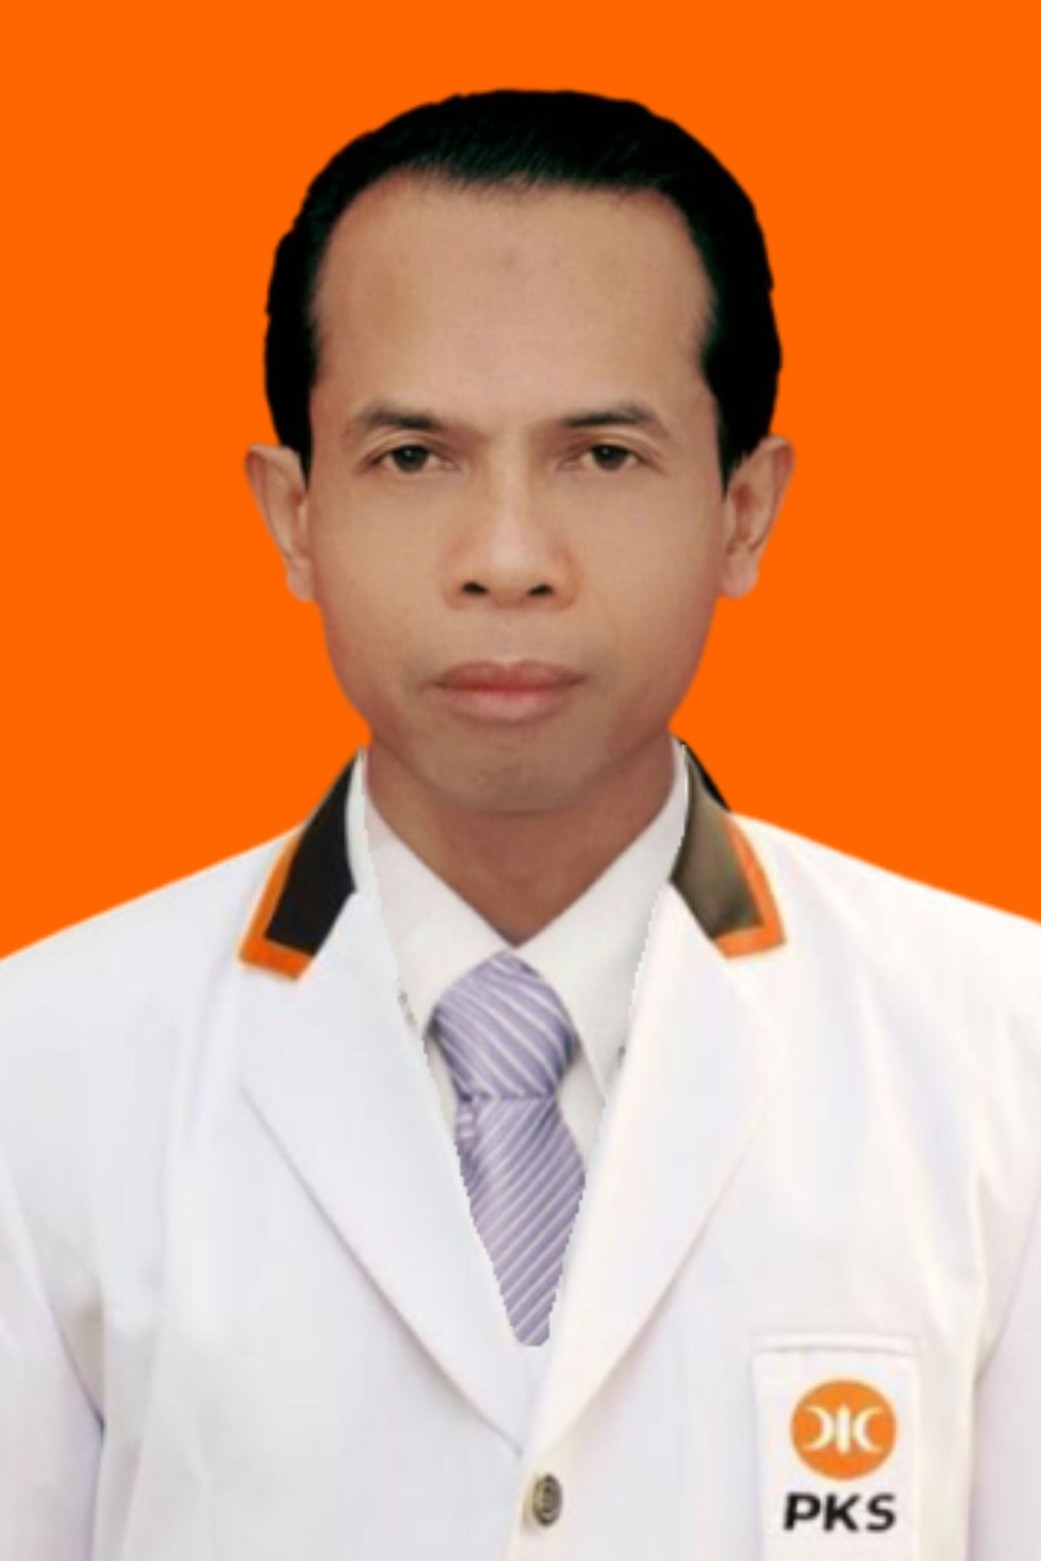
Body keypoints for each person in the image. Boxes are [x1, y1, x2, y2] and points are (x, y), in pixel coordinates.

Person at [0, 89, 1038, 1561]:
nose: (505, 559)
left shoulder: (1003, 1055)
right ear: (293, 513)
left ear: (744, 508)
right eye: (413, 457)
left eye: (601, 455)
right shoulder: (40, 1069)